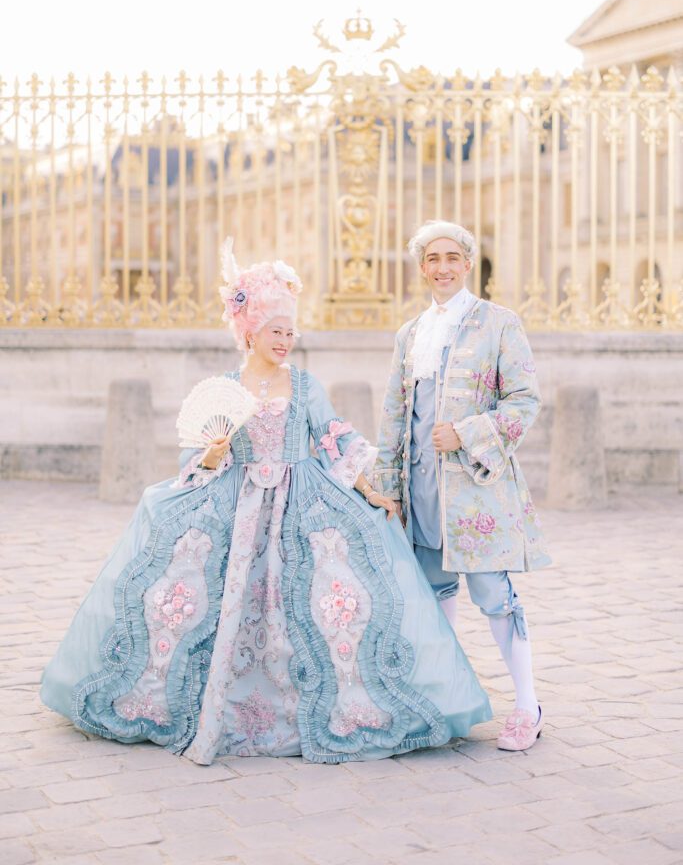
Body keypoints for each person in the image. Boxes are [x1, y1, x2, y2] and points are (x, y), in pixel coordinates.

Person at [41, 243, 491, 764]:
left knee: (330, 598)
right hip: (236, 502)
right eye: (276, 331)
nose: (285, 341)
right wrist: (213, 455)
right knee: (181, 591)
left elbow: (337, 438)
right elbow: (196, 461)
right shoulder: (228, 388)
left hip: (302, 499)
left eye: (290, 332)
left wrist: (371, 489)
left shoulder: (304, 384)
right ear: (250, 331)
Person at [372, 220, 551, 752]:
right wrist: (387, 489)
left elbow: (524, 402)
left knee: (495, 595)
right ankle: (447, 702)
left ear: (468, 262)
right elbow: (392, 416)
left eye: (453, 257)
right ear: (422, 267)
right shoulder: (409, 334)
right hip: (420, 490)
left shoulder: (499, 323)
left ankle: (527, 705)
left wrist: (468, 432)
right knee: (432, 595)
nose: (443, 267)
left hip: (476, 490)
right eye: (433, 259)